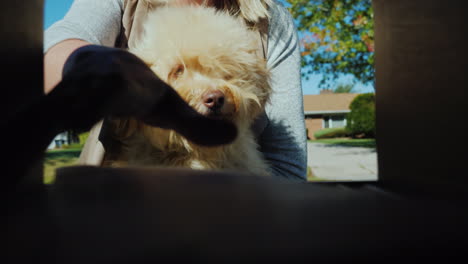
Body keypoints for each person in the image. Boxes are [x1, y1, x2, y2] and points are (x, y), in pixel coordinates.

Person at [44, 0, 308, 182]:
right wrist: (84, 61)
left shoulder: (271, 19)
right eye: (178, 72)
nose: (212, 93)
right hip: (117, 208)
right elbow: (63, 37)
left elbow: (288, 165)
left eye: (225, 72)